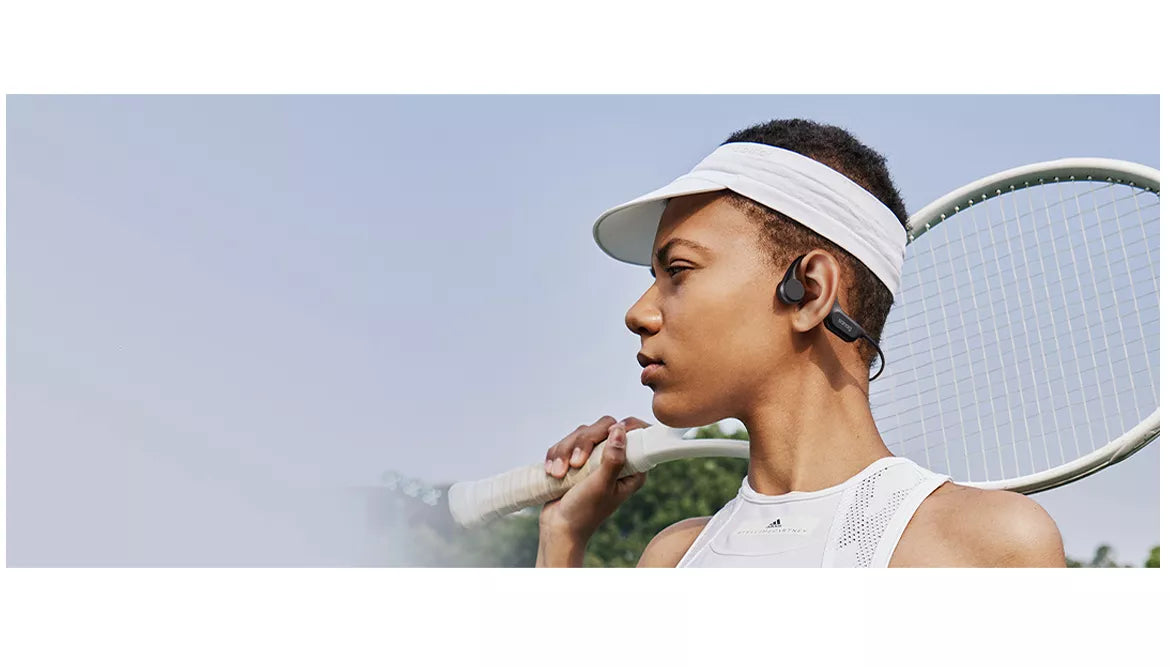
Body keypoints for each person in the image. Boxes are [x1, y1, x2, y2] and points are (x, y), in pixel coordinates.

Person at [534, 119, 1066, 568]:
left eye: (678, 270)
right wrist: (562, 535)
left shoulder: (989, 546)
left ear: (810, 291)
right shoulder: (673, 558)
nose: (639, 313)